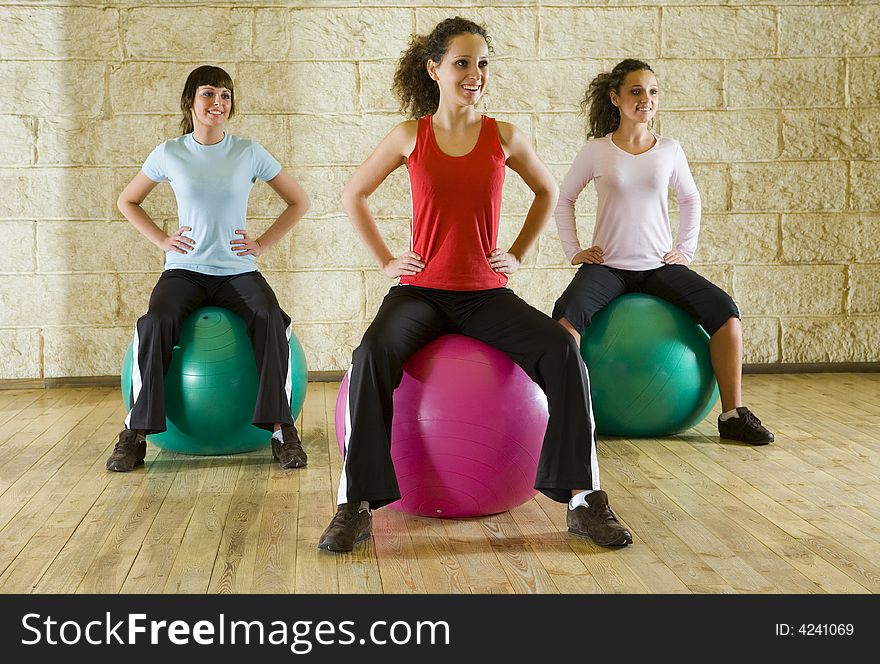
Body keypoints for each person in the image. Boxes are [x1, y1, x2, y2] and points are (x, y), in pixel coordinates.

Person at [318, 17, 632, 553]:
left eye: (482, 63)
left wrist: (519, 252)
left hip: (485, 295)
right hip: (420, 293)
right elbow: (354, 194)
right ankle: (354, 506)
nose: (475, 74)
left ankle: (585, 500)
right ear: (434, 69)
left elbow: (547, 191)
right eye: (463, 62)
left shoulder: (502, 136)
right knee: (370, 355)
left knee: (562, 349)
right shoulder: (409, 136)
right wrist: (387, 260)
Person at [553, 59, 774, 445]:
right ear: (615, 98)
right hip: (608, 268)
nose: (646, 99)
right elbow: (564, 199)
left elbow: (691, 199)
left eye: (652, 92)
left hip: (658, 267)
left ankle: (733, 414)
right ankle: (572, 420)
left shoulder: (670, 150)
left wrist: (684, 251)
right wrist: (574, 251)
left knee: (727, 314)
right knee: (565, 322)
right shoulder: (597, 151)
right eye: (636, 91)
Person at [107, 65, 311, 472]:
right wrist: (163, 240)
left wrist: (262, 244)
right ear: (190, 101)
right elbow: (127, 201)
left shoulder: (248, 151)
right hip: (185, 270)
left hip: (237, 270)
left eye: (225, 96)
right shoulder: (169, 152)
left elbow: (298, 201)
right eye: (208, 94)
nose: (218, 103)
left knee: (272, 319)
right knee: (155, 322)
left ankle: (281, 430)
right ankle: (135, 433)